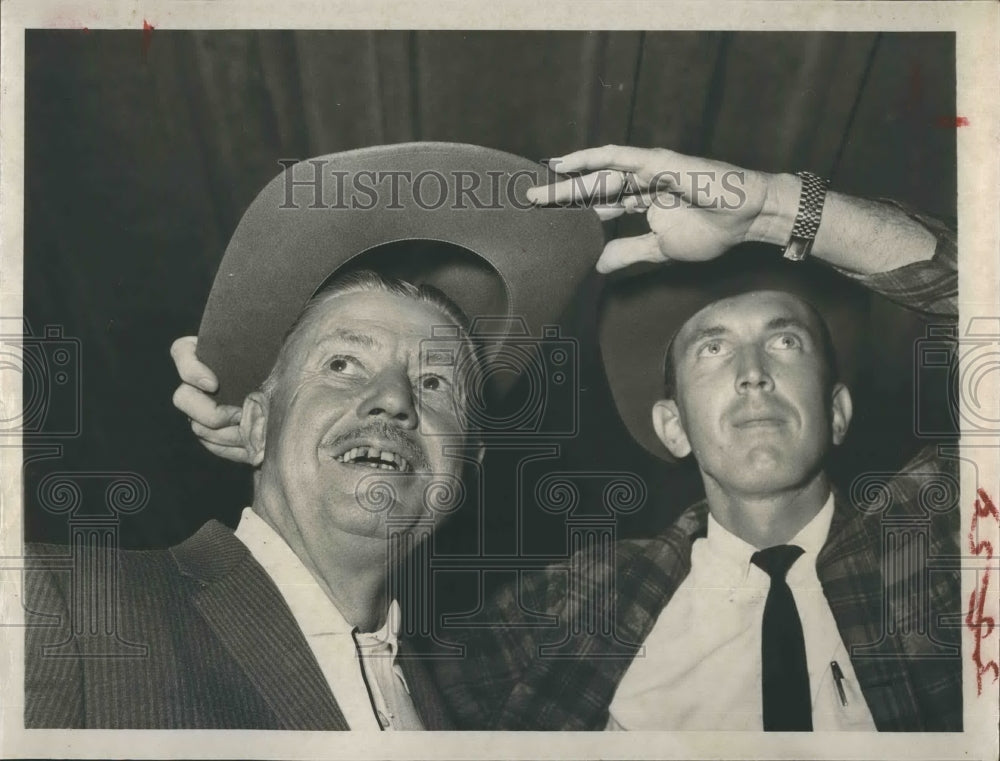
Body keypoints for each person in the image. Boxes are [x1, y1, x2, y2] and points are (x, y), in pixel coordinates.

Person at [170, 145, 962, 732]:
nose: (753, 373)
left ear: (841, 412)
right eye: (712, 349)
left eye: (786, 342)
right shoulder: (570, 608)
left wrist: (775, 211)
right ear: (670, 424)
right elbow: (348, 665)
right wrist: (276, 424)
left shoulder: (935, 548)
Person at [23, 142, 603, 729]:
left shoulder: (454, 712)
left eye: (433, 382)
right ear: (254, 426)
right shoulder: (61, 608)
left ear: (465, 466)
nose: (395, 400)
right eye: (342, 364)